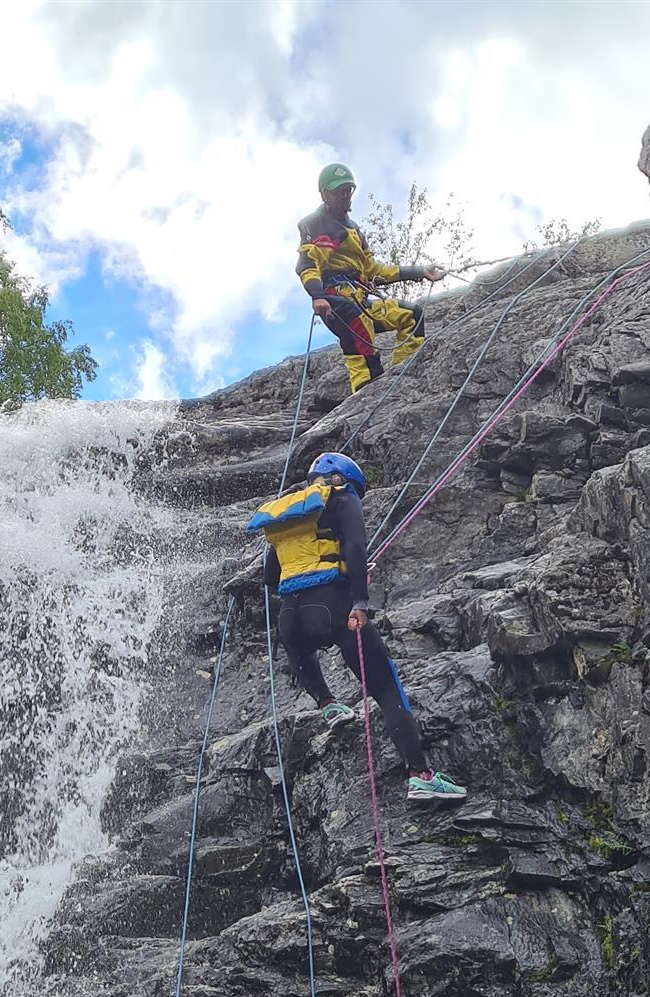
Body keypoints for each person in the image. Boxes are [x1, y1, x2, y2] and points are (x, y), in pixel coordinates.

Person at [248, 451, 466, 804]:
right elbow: (355, 545)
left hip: (291, 616)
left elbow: (271, 577)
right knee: (385, 687)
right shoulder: (341, 497)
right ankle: (421, 775)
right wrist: (360, 600)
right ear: (345, 480)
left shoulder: (287, 514)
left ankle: (328, 704)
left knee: (301, 651)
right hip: (334, 607)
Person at [296, 163, 446, 395]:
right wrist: (318, 296)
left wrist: (419, 271)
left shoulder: (354, 230)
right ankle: (366, 388)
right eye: (338, 191)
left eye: (348, 190)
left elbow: (373, 270)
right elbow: (308, 265)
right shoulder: (314, 224)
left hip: (360, 297)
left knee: (411, 314)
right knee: (358, 323)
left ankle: (402, 373)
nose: (344, 196)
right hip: (335, 298)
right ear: (325, 194)